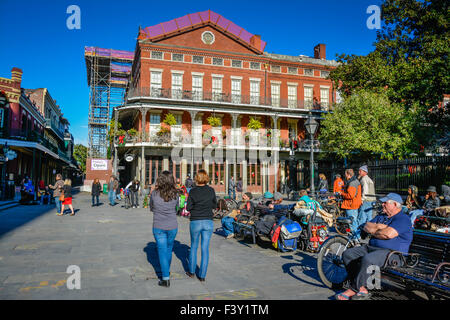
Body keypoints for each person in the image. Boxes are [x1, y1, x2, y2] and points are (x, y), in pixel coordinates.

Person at [337, 193, 413, 300]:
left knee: (368, 259)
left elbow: (388, 234)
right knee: (348, 254)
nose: (382, 205)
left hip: (393, 254)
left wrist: (375, 230)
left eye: (385, 203)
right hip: (372, 248)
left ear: (395, 204)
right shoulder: (382, 216)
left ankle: (353, 289)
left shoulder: (403, 218)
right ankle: (362, 287)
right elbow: (366, 226)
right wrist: (380, 227)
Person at [185, 169, 217, 282]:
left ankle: (192, 271)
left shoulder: (193, 191)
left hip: (196, 221)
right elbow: (215, 204)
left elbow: (188, 207)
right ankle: (202, 275)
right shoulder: (211, 190)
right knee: (205, 248)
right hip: (208, 220)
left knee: (193, 246)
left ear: (197, 178)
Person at [149, 171, 179, 288]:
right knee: (168, 249)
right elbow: (177, 207)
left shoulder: (154, 194)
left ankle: (165, 278)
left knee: (161, 251)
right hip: (172, 226)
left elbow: (151, 207)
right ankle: (167, 270)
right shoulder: (175, 194)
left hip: (159, 226)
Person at [341, 169, 362, 235]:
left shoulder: (352, 183)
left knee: (352, 223)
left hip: (351, 204)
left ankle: (356, 238)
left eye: (346, 175)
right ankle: (356, 237)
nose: (345, 176)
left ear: (349, 175)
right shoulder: (356, 181)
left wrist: (342, 194)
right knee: (354, 221)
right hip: (355, 203)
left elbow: (350, 195)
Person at [357, 165, 377, 235]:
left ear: (365, 172)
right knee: (369, 217)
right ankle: (369, 232)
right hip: (372, 200)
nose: (359, 172)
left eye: (360, 171)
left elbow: (365, 190)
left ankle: (359, 232)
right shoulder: (369, 179)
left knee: (362, 216)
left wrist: (362, 199)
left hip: (366, 200)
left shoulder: (364, 179)